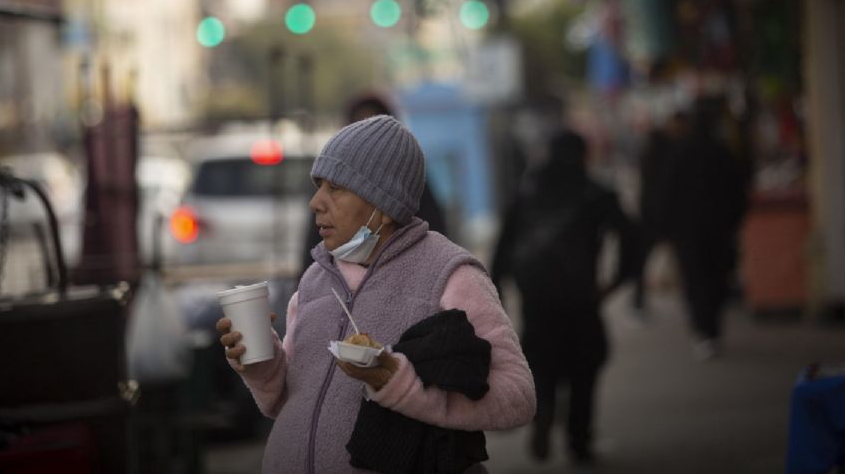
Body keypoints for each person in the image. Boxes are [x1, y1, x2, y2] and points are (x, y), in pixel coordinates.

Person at [217, 115, 535, 473]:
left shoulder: (449, 274)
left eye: (335, 188)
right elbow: (287, 403)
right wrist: (261, 366)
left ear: (382, 207)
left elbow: (518, 396)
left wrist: (396, 383)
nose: (315, 202)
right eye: (318, 185)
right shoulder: (315, 278)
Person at [490, 129, 638, 464]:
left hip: (536, 300)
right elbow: (632, 238)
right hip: (582, 299)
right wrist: (615, 282)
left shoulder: (526, 192)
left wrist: (497, 293)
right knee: (584, 369)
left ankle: (543, 412)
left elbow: (502, 248)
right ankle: (579, 442)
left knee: (541, 365)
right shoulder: (595, 192)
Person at [301, 92, 448, 275]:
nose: (316, 204)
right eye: (359, 125)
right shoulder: (315, 282)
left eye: (336, 188)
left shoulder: (447, 282)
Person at [660, 100, 748, 360]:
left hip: (687, 230)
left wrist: (666, 228)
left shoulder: (679, 152)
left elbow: (666, 193)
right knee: (716, 277)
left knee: (695, 278)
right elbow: (738, 192)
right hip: (719, 228)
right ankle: (711, 328)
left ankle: (703, 331)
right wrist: (733, 222)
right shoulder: (723, 152)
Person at [631, 112, 690, 317]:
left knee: (643, 259)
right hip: (664, 213)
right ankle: (639, 301)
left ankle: (638, 302)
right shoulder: (672, 149)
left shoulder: (660, 149)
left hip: (654, 211)